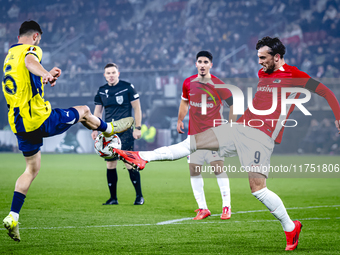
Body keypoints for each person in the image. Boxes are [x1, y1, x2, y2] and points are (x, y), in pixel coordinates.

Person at [114, 36, 340, 251]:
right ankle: (142, 156)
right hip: (241, 129)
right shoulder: (263, 73)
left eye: (263, 57)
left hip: (261, 138)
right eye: (258, 57)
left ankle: (291, 228)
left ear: (277, 56)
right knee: (192, 143)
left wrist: (338, 118)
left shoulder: (294, 75)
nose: (259, 62)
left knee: (258, 190)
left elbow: (325, 91)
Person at [1, 20, 134, 242]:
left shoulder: (8, 57)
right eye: (39, 39)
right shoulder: (31, 49)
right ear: (35, 36)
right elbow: (31, 61)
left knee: (32, 169)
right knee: (83, 110)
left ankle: (13, 216)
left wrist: (43, 76)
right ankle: (109, 128)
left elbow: (25, 78)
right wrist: (45, 73)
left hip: (19, 124)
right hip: (39, 118)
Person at [177, 51, 237, 220]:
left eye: (206, 62)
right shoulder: (188, 83)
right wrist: (180, 119)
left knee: (218, 169)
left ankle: (227, 207)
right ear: (196, 64)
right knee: (194, 171)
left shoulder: (218, 84)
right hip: (194, 135)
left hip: (214, 135)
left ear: (211, 65)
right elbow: (184, 101)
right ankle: (203, 208)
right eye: (199, 61)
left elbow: (233, 104)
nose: (202, 65)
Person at [91, 63, 143, 205]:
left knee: (129, 163)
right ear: (105, 75)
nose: (111, 75)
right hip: (109, 133)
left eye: (113, 72)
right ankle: (113, 198)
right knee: (110, 165)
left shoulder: (127, 87)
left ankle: (139, 196)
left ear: (118, 73)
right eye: (108, 73)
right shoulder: (102, 91)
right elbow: (98, 112)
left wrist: (137, 127)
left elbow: (137, 108)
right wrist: (95, 129)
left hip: (125, 132)